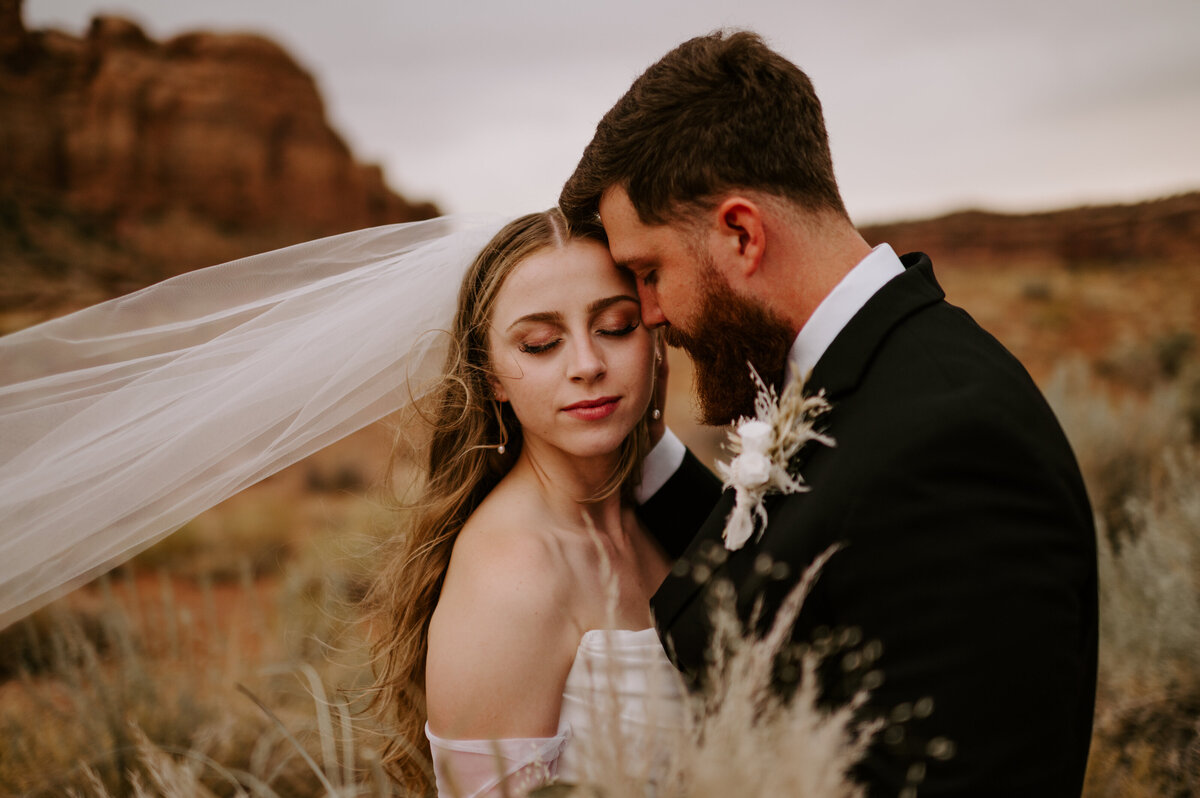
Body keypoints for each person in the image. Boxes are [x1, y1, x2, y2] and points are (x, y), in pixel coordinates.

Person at [0, 209, 718, 796]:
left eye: (616, 326)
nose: (587, 363)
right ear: (493, 376)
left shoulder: (661, 513)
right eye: (539, 343)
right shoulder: (513, 576)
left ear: (653, 337)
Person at [560, 31, 1098, 797]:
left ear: (741, 234)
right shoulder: (868, 368)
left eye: (650, 272)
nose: (648, 314)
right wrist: (633, 452)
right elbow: (805, 551)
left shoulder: (954, 445)